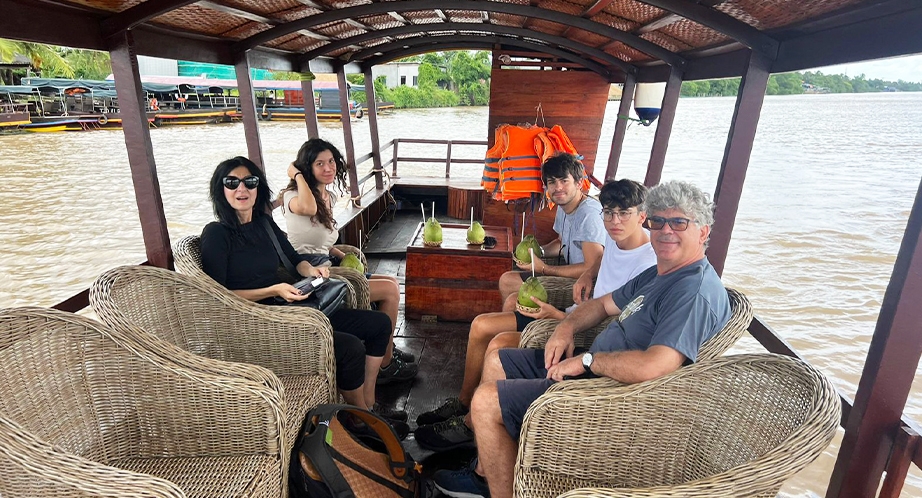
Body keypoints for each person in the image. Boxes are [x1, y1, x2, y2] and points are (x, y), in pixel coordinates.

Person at [432, 180, 732, 498]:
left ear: (703, 231)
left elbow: (656, 365)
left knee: (486, 401)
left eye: (679, 222)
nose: (665, 231)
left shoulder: (692, 292)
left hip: (610, 394)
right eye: (658, 221)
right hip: (594, 367)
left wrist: (588, 360)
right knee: (496, 359)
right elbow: (603, 304)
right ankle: (486, 472)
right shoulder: (662, 273)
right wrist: (566, 329)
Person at [414, 179, 656, 451]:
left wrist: (555, 315)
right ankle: (467, 405)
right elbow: (600, 258)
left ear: (643, 216)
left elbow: (618, 324)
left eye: (624, 213)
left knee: (490, 335)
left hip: (584, 332)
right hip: (573, 315)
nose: (614, 221)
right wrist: (589, 274)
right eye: (609, 213)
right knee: (497, 311)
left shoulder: (648, 264)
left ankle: (471, 421)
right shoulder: (617, 238)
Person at [199, 156, 409, 436]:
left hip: (291, 306)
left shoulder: (263, 224)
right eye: (231, 182)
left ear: (258, 187)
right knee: (349, 348)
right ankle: (361, 419)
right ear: (221, 190)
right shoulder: (216, 234)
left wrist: (311, 269)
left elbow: (294, 258)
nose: (241, 189)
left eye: (249, 182)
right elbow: (218, 295)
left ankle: (368, 403)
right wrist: (273, 290)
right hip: (259, 322)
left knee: (378, 325)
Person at [279, 138, 417, 385]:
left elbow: (320, 239)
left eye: (331, 161)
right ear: (306, 167)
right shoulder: (293, 196)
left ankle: (386, 348)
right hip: (307, 271)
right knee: (389, 291)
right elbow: (309, 211)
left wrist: (341, 254)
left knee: (392, 282)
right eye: (319, 163)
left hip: (327, 263)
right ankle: (384, 364)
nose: (328, 168)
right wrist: (296, 174)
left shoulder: (328, 196)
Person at [497, 153, 606, 311]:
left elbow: (592, 267)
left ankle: (516, 329)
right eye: (552, 182)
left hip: (587, 285)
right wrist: (536, 252)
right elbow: (561, 242)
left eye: (564, 181)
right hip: (570, 271)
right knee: (509, 283)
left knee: (508, 282)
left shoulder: (589, 214)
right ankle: (517, 328)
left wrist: (545, 269)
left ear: (579, 183)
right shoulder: (564, 205)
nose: (558, 187)